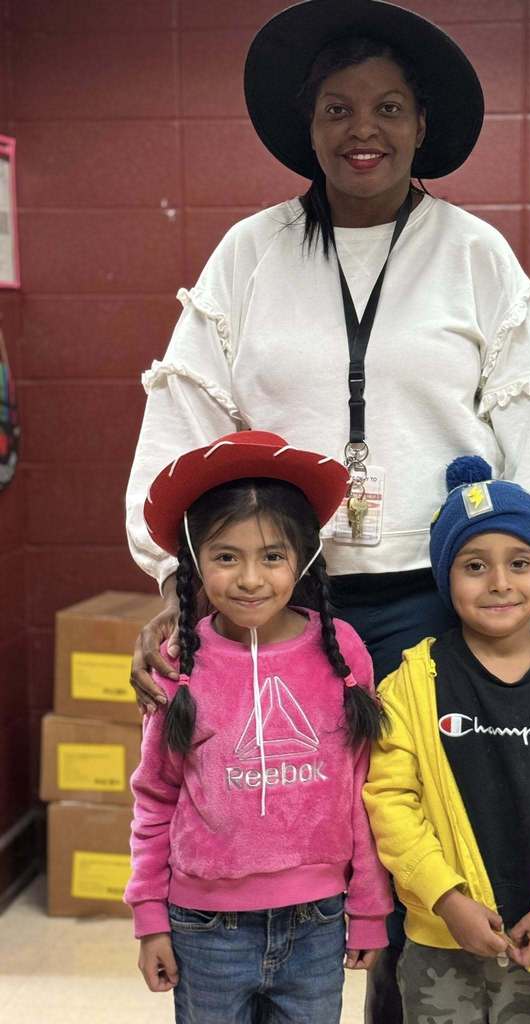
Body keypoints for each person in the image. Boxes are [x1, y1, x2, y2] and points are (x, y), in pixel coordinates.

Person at [124, 2, 530, 1018]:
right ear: (306, 128)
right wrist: (177, 581)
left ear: (422, 125)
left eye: (390, 107)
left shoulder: (475, 254)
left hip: (432, 606)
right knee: (299, 842)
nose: (365, 128)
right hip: (284, 607)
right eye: (339, 108)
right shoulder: (249, 254)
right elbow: (185, 412)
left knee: (423, 860)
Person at [124, 429, 392, 1024]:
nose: (250, 579)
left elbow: (362, 788)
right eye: (226, 557)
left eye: (272, 557)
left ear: (304, 559)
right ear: (196, 564)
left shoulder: (342, 653)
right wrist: (149, 917)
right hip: (203, 928)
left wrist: (370, 907)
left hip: (318, 920)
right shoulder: (177, 661)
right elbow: (156, 795)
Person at [363, 456, 530, 1023]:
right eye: (474, 566)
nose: (500, 583)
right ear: (444, 578)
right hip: (442, 941)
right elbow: (391, 801)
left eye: (520, 563)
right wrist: (445, 898)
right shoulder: (412, 684)